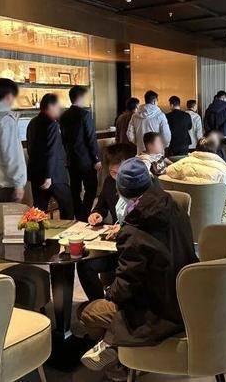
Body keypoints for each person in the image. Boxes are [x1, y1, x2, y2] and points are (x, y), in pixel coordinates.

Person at [79, 158, 197, 379]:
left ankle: (122, 361)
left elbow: (126, 286)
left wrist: (109, 293)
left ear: (122, 191)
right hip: (186, 296)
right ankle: (116, 348)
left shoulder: (134, 231)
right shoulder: (174, 207)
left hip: (157, 310)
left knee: (87, 312)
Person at [78, 143, 135, 301]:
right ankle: (98, 304)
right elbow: (101, 206)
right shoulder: (110, 183)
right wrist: (96, 214)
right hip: (113, 244)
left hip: (133, 247)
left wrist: (123, 228)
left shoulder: (140, 185)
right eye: (112, 172)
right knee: (84, 263)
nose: (117, 177)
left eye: (120, 173)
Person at [166, 136, 226, 221]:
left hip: (185, 213)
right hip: (213, 214)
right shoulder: (221, 168)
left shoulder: (183, 162)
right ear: (214, 151)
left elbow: (168, 171)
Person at [26, 93, 74, 218]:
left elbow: (30, 148)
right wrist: (48, 176)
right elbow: (52, 151)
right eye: (58, 107)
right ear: (50, 106)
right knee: (67, 206)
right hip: (54, 175)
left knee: (39, 210)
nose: (59, 110)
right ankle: (67, 229)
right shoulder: (52, 124)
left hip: (36, 173)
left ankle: (38, 230)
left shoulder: (32, 123)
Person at [60, 86, 101, 220]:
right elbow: (91, 138)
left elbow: (63, 139)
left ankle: (79, 214)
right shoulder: (85, 115)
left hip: (71, 159)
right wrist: (96, 159)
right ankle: (85, 213)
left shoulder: (64, 116)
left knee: (75, 189)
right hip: (86, 160)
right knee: (91, 187)